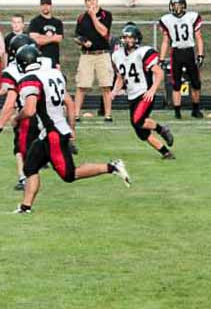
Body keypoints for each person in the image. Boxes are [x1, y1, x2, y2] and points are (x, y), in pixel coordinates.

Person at [12, 45, 131, 214]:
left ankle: (112, 166)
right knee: (30, 167)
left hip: (53, 133)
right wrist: (71, 128)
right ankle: (25, 207)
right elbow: (70, 103)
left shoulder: (30, 79)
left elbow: (30, 110)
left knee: (69, 175)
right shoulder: (53, 73)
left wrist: (16, 118)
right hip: (50, 132)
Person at [0, 33, 46, 190]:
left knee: (20, 147)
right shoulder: (43, 63)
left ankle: (23, 177)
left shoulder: (12, 71)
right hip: (47, 110)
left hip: (27, 112)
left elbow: (10, 101)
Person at [112, 24, 175, 159]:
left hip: (144, 92)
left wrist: (152, 90)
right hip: (132, 95)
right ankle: (165, 152)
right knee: (140, 132)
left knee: (138, 121)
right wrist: (114, 91)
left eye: (130, 37)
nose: (126, 40)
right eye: (124, 37)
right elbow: (120, 77)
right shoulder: (117, 55)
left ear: (136, 39)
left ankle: (161, 129)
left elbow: (159, 72)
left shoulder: (143, 52)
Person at [158, 0, 204, 120]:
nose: (176, 8)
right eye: (174, 5)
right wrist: (161, 59)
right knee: (176, 84)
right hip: (176, 53)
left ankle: (195, 109)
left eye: (179, 5)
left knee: (196, 83)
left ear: (184, 6)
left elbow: (199, 37)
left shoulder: (192, 17)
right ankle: (177, 112)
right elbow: (165, 41)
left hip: (189, 52)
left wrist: (200, 54)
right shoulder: (167, 19)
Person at [74, 0, 114, 121]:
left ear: (97, 0)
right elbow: (77, 36)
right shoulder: (81, 18)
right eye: (88, 0)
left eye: (93, 0)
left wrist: (93, 17)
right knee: (81, 85)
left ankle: (108, 115)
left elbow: (104, 31)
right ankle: (76, 114)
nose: (91, 3)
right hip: (87, 55)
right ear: (85, 2)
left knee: (106, 85)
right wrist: (83, 41)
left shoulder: (105, 15)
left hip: (102, 53)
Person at [28, 0, 64, 68]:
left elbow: (59, 38)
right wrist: (52, 38)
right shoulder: (35, 22)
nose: (45, 7)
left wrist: (41, 36)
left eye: (47, 5)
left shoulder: (57, 22)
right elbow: (35, 40)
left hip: (54, 60)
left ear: (51, 6)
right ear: (40, 6)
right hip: (39, 60)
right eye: (43, 5)